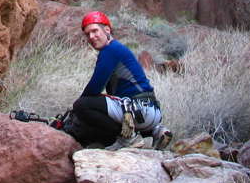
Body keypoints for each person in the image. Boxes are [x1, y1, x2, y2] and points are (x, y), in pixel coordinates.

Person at [60, 11, 172, 150]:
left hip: (138, 111)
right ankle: (157, 131)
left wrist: (76, 110)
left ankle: (128, 138)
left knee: (82, 105)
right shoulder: (118, 48)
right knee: (106, 105)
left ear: (107, 30)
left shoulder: (110, 50)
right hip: (151, 111)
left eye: (95, 31)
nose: (91, 37)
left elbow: (94, 88)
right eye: (87, 34)